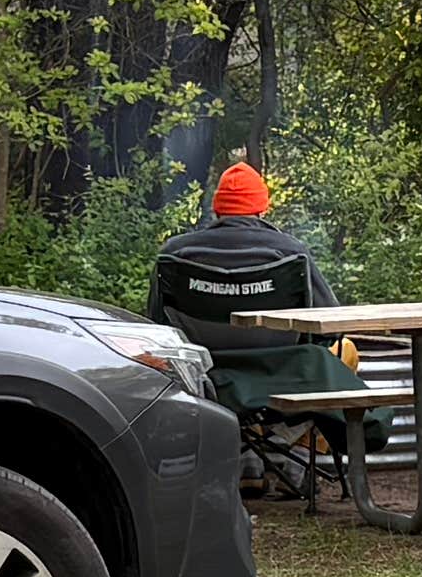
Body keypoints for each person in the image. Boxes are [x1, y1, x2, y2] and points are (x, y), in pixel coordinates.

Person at [151, 162, 362, 414]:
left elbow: (155, 322)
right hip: (283, 370)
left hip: (203, 372)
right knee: (346, 349)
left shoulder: (174, 253)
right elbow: (329, 323)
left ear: (217, 209)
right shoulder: (290, 251)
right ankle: (299, 433)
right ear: (262, 208)